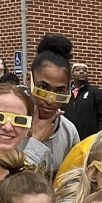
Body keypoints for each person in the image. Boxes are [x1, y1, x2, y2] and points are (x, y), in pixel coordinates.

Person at [21, 34, 80, 174]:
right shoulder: (8, 124)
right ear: (29, 81)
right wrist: (36, 141)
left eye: (60, 91)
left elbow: (73, 183)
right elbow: (7, 186)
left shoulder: (69, 131)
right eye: (43, 88)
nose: (50, 100)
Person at [63, 62, 102, 139]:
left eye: (84, 70)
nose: (81, 72)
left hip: (88, 139)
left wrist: (99, 137)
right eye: (77, 70)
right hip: (67, 137)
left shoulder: (95, 93)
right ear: (72, 74)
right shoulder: (65, 92)